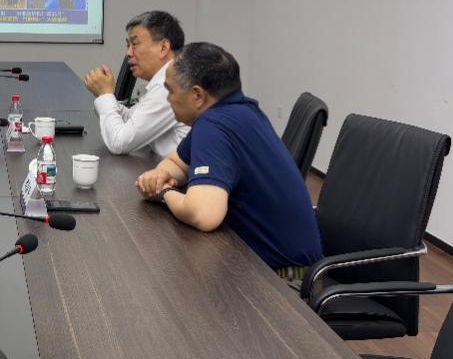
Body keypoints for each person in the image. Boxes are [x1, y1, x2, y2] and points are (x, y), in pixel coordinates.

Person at [136, 43, 322, 279]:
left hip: (286, 283)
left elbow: (204, 214)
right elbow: (177, 162)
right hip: (283, 266)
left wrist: (163, 194)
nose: (168, 99)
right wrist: (161, 174)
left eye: (170, 90)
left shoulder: (213, 126)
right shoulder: (239, 111)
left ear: (197, 95)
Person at [83, 10, 188, 156]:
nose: (128, 53)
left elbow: (119, 143)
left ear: (163, 47)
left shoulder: (169, 87)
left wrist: (106, 95)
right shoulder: (163, 81)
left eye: (135, 44)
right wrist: (104, 95)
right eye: (128, 46)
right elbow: (131, 119)